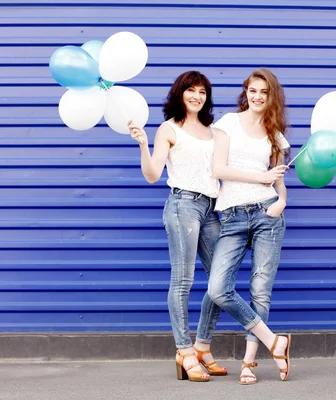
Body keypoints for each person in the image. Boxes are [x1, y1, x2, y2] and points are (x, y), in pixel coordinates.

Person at [128, 71, 226, 382]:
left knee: (220, 283)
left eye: (202, 91)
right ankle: (184, 351)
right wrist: (143, 145)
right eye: (191, 91)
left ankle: (202, 345)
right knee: (183, 280)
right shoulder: (169, 128)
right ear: (179, 94)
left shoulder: (213, 131)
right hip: (183, 204)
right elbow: (153, 174)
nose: (197, 96)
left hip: (211, 208)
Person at [207, 68, 292, 385]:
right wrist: (262, 178)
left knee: (260, 290)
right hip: (231, 215)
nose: (257, 96)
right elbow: (219, 169)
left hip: (267, 213)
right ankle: (274, 341)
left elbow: (278, 177)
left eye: (264, 92)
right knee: (218, 289)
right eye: (253, 90)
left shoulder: (275, 133)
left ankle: (248, 363)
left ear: (272, 96)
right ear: (246, 92)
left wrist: (281, 200)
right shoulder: (228, 123)